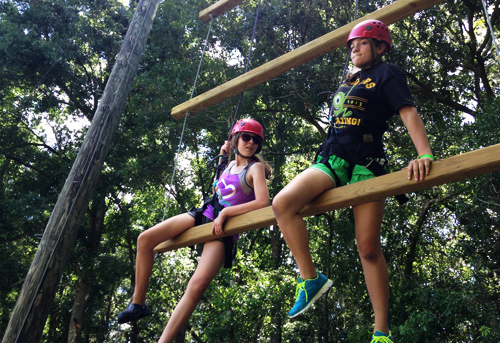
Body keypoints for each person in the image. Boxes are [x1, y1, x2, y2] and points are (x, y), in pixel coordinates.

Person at [272, 19, 434, 343]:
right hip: (333, 156)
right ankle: (311, 279)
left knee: (368, 247)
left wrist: (424, 154)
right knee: (282, 203)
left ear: (380, 47)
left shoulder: (387, 74)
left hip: (367, 160)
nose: (354, 49)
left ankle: (381, 332)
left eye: (361, 43)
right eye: (351, 45)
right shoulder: (348, 80)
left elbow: (408, 112)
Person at [117, 118, 271, 343]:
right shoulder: (228, 165)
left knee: (196, 286)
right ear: (236, 139)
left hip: (223, 228)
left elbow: (263, 203)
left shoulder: (254, 168)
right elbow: (221, 189)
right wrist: (222, 156)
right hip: (204, 214)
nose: (251, 143)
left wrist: (228, 213)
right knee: (145, 239)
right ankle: (137, 303)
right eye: (246, 137)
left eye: (256, 140)